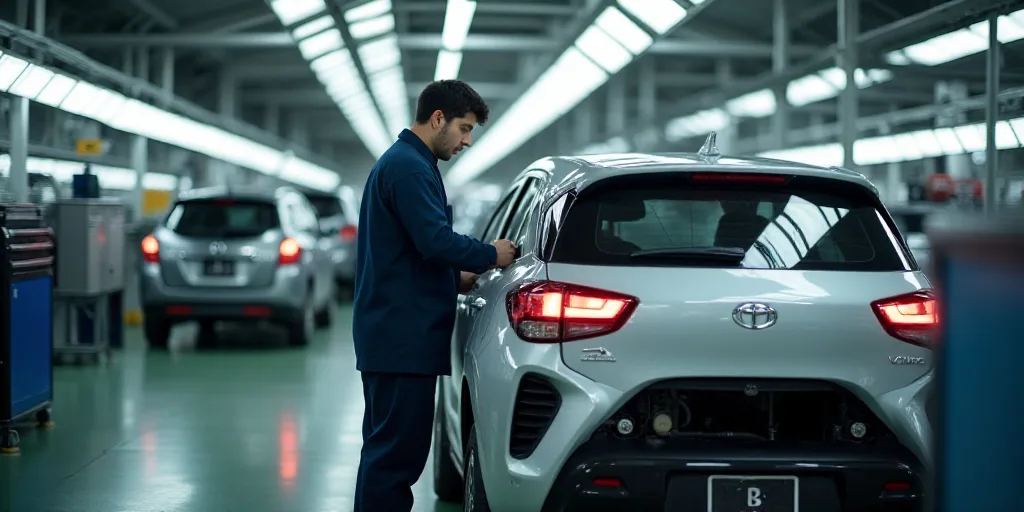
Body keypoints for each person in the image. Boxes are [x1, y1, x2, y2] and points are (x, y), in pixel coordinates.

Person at [352, 80, 517, 512]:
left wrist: (452, 279)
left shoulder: (408, 163)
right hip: (400, 337)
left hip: (395, 333)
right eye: (464, 128)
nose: (466, 141)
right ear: (438, 118)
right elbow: (433, 240)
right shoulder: (409, 167)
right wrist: (490, 255)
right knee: (395, 459)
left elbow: (407, 255)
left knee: (387, 453)